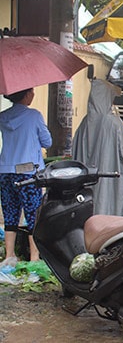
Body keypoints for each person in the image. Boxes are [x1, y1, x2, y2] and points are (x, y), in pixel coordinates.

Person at [0, 88, 52, 266]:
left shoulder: (3, 116)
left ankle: (9, 255)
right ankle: (34, 258)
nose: (33, 94)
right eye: (31, 92)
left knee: (10, 214)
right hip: (28, 173)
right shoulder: (34, 116)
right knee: (33, 215)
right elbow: (48, 142)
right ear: (26, 95)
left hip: (6, 170)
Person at [73, 79, 123, 216]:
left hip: (86, 183)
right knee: (108, 211)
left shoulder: (84, 123)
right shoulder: (114, 123)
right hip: (110, 181)